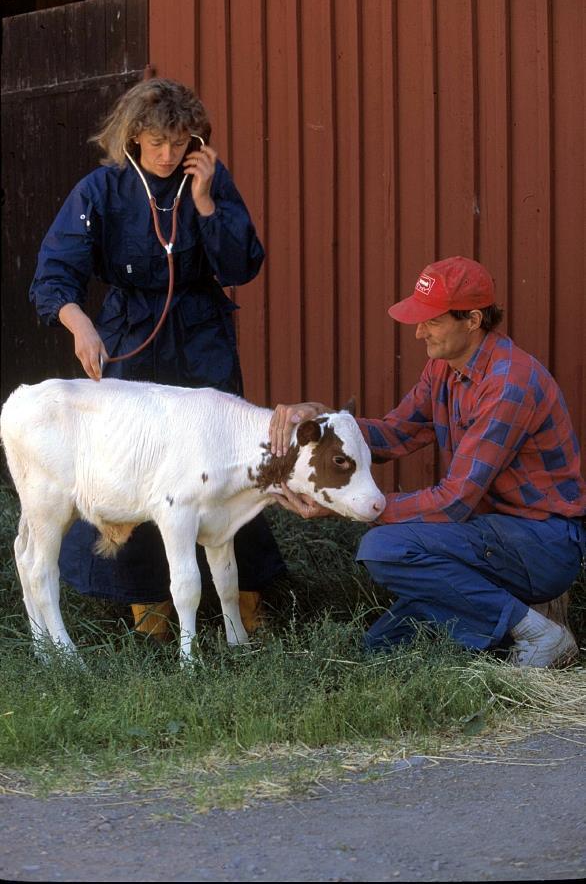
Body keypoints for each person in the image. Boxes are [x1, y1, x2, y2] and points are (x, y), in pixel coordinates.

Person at [30, 77, 284, 639]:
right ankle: (148, 602)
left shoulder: (209, 182)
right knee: (139, 465)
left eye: (180, 142)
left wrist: (206, 202)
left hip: (200, 335)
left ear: (197, 141)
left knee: (226, 463)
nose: (169, 154)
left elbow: (242, 266)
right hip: (130, 334)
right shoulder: (102, 189)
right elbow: (53, 276)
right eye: (157, 143)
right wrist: (81, 326)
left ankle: (245, 596)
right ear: (132, 138)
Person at [269, 256, 586, 667]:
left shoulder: (509, 384)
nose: (419, 332)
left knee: (384, 548)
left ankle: (538, 633)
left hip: (542, 542)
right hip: (487, 533)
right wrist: (326, 421)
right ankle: (497, 634)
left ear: (472, 320)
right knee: (380, 651)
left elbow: (454, 501)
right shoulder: (444, 368)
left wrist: (355, 509)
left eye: (432, 321)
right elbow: (397, 432)